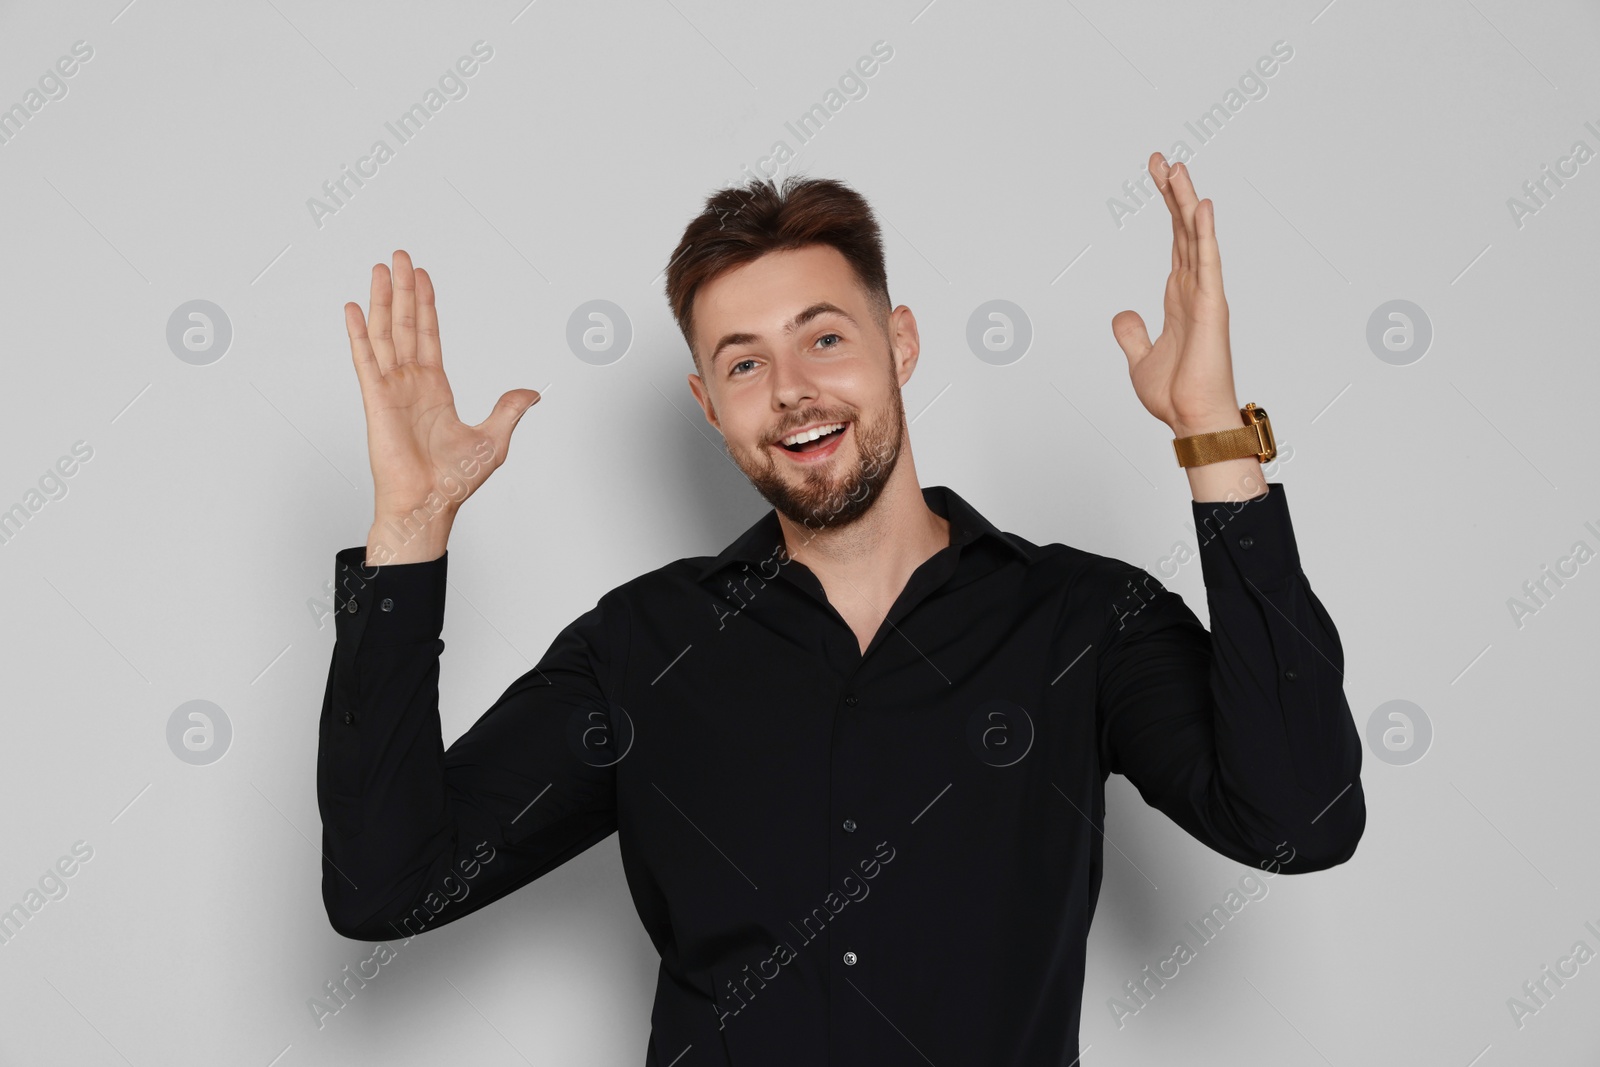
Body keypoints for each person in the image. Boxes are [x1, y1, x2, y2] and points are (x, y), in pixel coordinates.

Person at [317, 151, 1364, 1065]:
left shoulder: (1082, 619)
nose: (791, 389)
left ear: (899, 343)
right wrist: (411, 526)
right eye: (743, 361)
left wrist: (1214, 437)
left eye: (824, 338)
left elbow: (1299, 818)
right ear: (709, 406)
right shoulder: (640, 647)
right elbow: (386, 885)